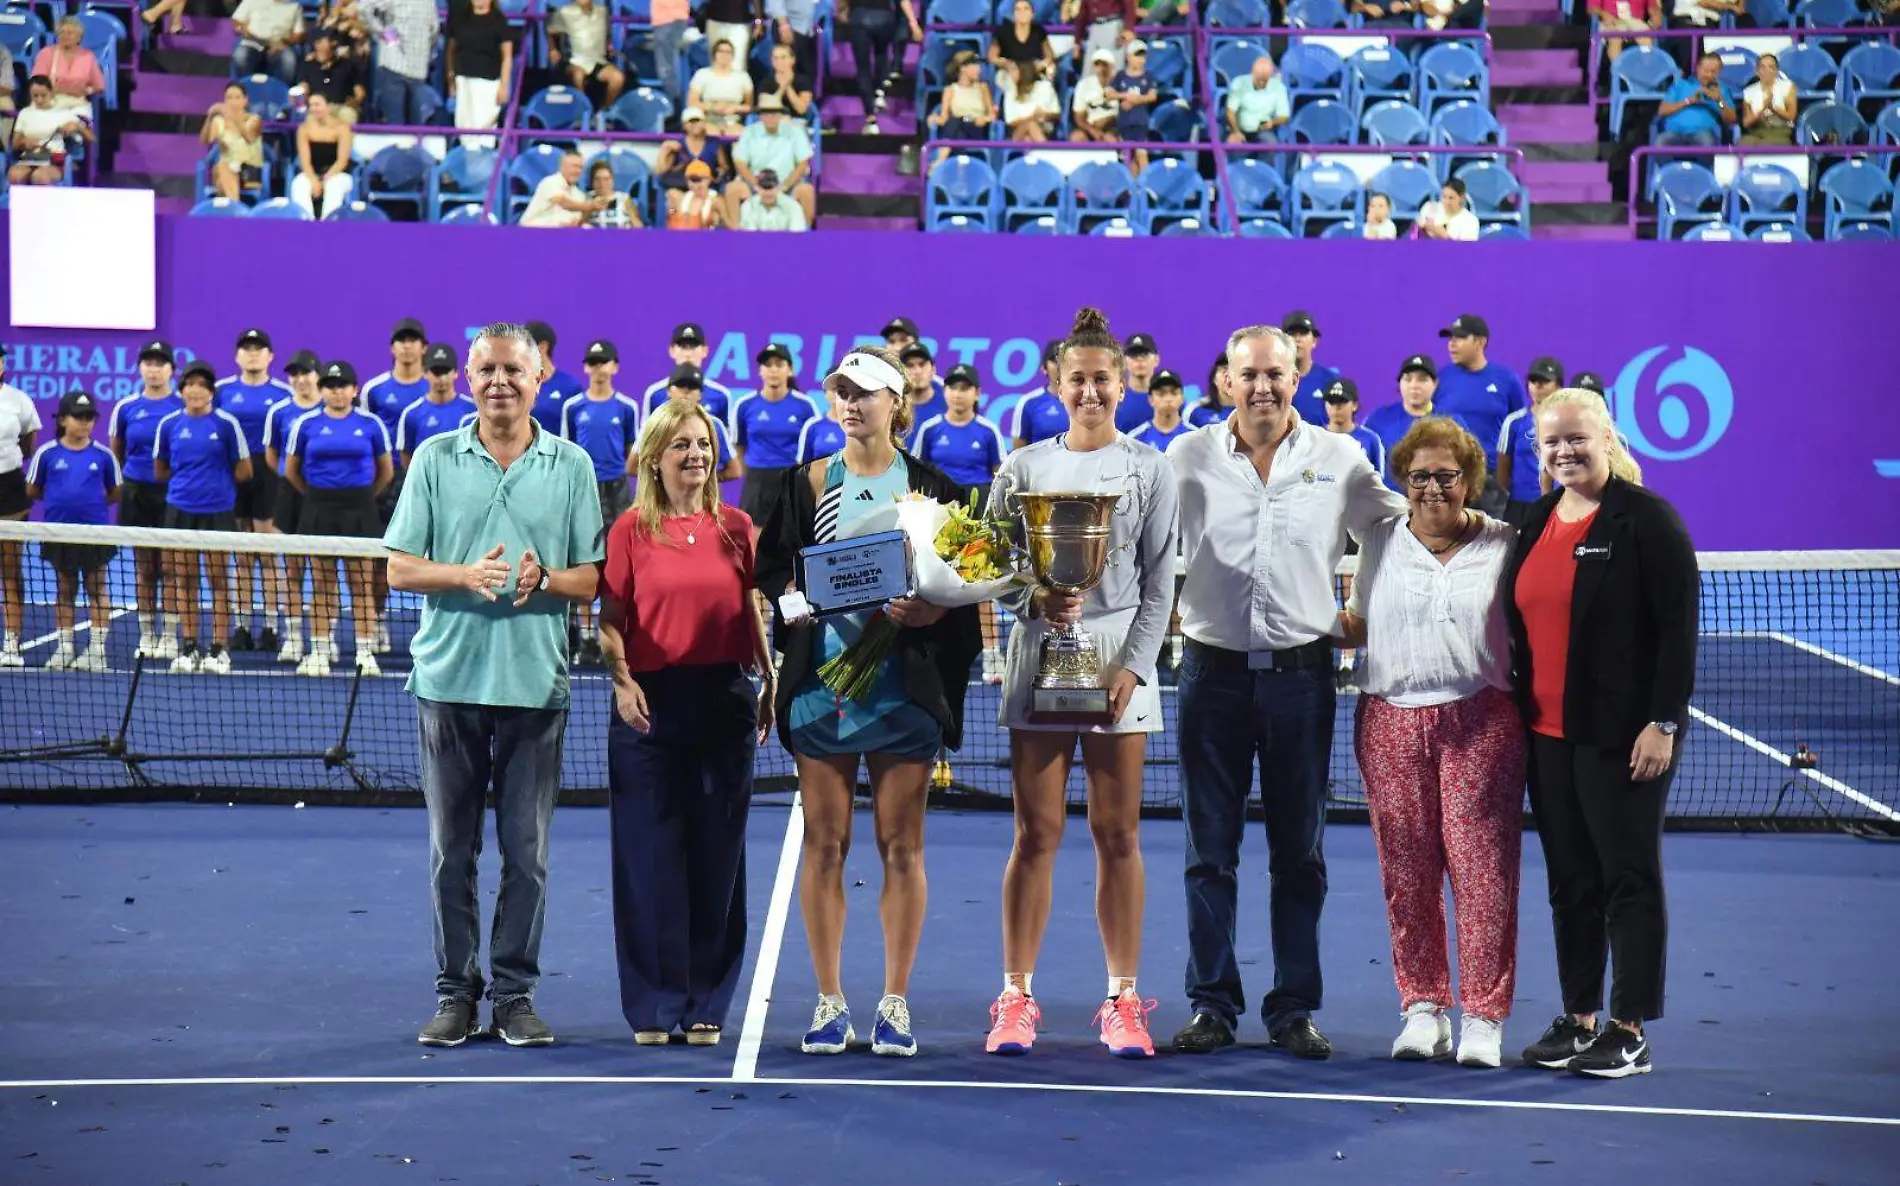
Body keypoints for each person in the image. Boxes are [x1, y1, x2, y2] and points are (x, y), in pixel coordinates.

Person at [1168, 324, 1406, 1060]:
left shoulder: (1340, 458)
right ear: (1226, 383)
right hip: (1209, 675)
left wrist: (1362, 610)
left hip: (1303, 678)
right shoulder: (1188, 456)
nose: (1263, 386)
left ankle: (1292, 1006)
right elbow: (1145, 544)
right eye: (1250, 374)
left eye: (1277, 373)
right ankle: (1211, 1004)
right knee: (1210, 852)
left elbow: (1391, 526)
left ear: (1297, 377)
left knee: (1299, 854)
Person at [755, 346, 982, 1058]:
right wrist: (794, 606)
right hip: (822, 690)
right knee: (824, 847)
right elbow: (773, 572)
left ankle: (894, 1003)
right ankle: (829, 1003)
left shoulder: (933, 489)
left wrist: (933, 614)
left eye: (866, 394)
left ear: (896, 402)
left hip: (900, 693)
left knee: (900, 847)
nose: (851, 405)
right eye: (842, 393)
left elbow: (966, 585)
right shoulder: (807, 482)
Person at [385, 324, 606, 1050]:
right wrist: (465, 575)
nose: (499, 382)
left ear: (540, 377)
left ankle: (514, 995)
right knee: (453, 852)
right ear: (469, 378)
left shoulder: (571, 465)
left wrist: (547, 579)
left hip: (535, 689)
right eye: (487, 370)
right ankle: (456, 994)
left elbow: (591, 578)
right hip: (446, 684)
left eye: (513, 370)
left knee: (526, 855)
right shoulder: (433, 459)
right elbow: (400, 568)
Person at [984, 308, 1179, 1060]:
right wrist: (1030, 597)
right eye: (1078, 380)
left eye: (1104, 380)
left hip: (1119, 660)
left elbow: (1161, 585)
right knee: (1034, 834)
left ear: (1124, 384)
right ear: (1055, 384)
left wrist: (1132, 665)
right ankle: (1015, 995)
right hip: (1041, 652)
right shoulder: (1022, 468)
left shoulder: (1151, 469)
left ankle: (1123, 999)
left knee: (1117, 833)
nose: (1091, 392)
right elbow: (987, 563)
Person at [1506, 388, 1697, 1080]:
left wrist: (1664, 722)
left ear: (1607, 437)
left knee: (1628, 879)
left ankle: (1629, 1027)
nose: (1564, 451)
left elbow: (1678, 633)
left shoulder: (1647, 520)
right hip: (1547, 736)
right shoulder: (1534, 520)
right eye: (1551, 441)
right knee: (1571, 882)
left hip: (1623, 738)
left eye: (1577, 439)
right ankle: (1579, 1016)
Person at [1339, 417, 1524, 1069]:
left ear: (1470, 479)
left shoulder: (1506, 544)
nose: (1433, 488)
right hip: (1389, 720)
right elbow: (1357, 623)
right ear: (1403, 481)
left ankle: (1483, 1017)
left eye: (1447, 476)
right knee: (1407, 871)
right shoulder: (1381, 541)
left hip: (1483, 720)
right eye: (1420, 476)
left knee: (1482, 871)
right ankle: (1423, 1008)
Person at [598, 398, 774, 1048]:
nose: (696, 456)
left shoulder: (739, 527)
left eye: (703, 444)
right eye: (682, 446)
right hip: (648, 705)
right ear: (654, 459)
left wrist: (770, 680)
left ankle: (706, 1001)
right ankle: (651, 1003)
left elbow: (753, 610)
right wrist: (621, 681)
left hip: (724, 698)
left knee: (717, 856)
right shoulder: (628, 532)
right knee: (648, 859)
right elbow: (610, 623)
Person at [285, 360, 393, 677]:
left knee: (362, 585)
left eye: (343, 385)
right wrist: (317, 494)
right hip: (318, 508)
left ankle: (364, 652)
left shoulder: (371, 425)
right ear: (322, 391)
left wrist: (362, 496)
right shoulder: (306, 425)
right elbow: (292, 471)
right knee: (322, 584)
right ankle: (319, 650)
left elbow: (385, 471)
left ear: (354, 390)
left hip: (360, 509)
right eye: (330, 386)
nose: (337, 392)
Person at [153, 361, 252, 675]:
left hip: (217, 512)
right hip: (179, 510)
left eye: (202, 386)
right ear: (182, 390)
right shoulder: (169, 425)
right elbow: (161, 469)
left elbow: (244, 469)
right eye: (190, 385)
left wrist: (214, 485)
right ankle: (189, 646)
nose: (195, 390)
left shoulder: (225, 424)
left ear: (211, 392)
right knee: (184, 580)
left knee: (219, 581)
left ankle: (219, 649)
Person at [912, 363, 1007, 682]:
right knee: (931, 584)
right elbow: (917, 475)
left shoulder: (988, 431)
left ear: (976, 394)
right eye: (952, 387)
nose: (957, 393)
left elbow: (1001, 477)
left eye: (965, 387)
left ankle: (993, 656)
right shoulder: (930, 430)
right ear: (946, 392)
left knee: (981, 585)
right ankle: (927, 649)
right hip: (939, 514)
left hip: (977, 514)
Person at [26, 391, 119, 672]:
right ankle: (64, 648)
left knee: (96, 587)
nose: (84, 423)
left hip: (94, 535)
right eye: (78, 417)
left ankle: (96, 650)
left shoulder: (103, 455)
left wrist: (89, 507)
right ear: (63, 420)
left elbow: (115, 491)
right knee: (65, 589)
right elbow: (33, 489)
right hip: (59, 534)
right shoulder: (47, 454)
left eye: (89, 417)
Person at [561, 338, 640, 665]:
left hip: (617, 490)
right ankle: (588, 635)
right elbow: (566, 454)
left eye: (604, 362)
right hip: (584, 491)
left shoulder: (626, 407)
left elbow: (630, 450)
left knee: (619, 562)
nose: (599, 368)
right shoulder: (573, 407)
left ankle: (616, 630)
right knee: (585, 559)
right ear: (586, 368)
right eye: (593, 362)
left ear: (615, 367)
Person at [216, 328, 295, 654]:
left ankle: (272, 626)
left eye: (259, 349)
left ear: (270, 356)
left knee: (267, 550)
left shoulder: (282, 393)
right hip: (233, 473)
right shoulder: (221, 391)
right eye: (246, 349)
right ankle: (243, 624)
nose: (252, 354)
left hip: (266, 476)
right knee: (242, 553)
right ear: (237, 356)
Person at [110, 340, 184, 660]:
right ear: (140, 368)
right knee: (145, 569)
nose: (154, 369)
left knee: (170, 568)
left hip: (173, 495)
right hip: (137, 492)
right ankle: (146, 634)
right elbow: (117, 452)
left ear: (172, 369)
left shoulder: (183, 406)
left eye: (160, 363)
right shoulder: (126, 408)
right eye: (148, 363)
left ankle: (168, 635)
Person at [262, 349, 326, 664]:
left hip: (324, 497)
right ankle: (293, 636)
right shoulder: (279, 412)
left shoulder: (334, 409)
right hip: (291, 496)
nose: (301, 379)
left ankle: (323, 640)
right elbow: (273, 454)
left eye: (306, 373)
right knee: (292, 570)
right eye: (295, 374)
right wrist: (292, 481)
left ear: (318, 376)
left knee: (323, 572)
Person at [731, 342, 822, 529]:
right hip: (757, 481)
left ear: (790, 370)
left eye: (779, 364)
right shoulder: (745, 405)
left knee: (790, 541)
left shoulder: (805, 406)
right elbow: (739, 446)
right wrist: (754, 473)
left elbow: (812, 449)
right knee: (754, 543)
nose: (773, 370)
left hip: (791, 479)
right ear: (760, 371)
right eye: (767, 365)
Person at [1435, 314, 1528, 486]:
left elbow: (1521, 427)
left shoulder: (1506, 379)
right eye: (1450, 338)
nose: (1451, 344)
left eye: (1460, 337)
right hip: (1447, 473)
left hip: (1491, 478)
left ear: (1480, 342)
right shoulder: (1440, 378)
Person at [0, 350, 43, 667]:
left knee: (10, 568)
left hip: (9, 489)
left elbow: (29, 443)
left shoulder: (19, 400)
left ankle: (12, 642)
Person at [727, 94, 816, 226]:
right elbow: (740, 162)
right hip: (756, 184)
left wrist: (785, 186)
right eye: (766, 113)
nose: (770, 117)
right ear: (760, 115)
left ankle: (805, 237)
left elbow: (802, 163)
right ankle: (736, 235)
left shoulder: (795, 131)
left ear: (780, 115)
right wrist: (756, 185)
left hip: (786, 184)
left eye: (774, 113)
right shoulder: (749, 132)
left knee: (806, 190)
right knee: (732, 189)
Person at [1495, 355, 1563, 526]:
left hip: (1560, 504)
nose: (1537, 385)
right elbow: (1503, 466)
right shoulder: (1514, 421)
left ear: (1559, 386)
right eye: (1533, 380)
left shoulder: (1568, 423)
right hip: (1520, 506)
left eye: (1544, 381)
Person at [841, 0, 920, 135]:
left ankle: (870, 118)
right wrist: (914, 23)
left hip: (859, 17)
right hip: (884, 18)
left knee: (863, 68)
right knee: (881, 55)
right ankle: (879, 92)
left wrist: (841, 10)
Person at [397, 343, 479, 468]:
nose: (441, 378)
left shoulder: (474, 409)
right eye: (436, 372)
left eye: (445, 371)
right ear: (425, 373)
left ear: (456, 373)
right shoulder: (411, 414)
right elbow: (407, 458)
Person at [446, 0, 513, 148]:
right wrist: (450, 78)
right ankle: (466, 162)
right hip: (463, 79)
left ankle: (484, 166)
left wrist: (504, 85)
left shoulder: (499, 21)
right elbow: (451, 50)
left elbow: (507, 56)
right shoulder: (460, 18)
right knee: (464, 125)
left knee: (483, 127)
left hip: (488, 82)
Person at [362, 0, 440, 125]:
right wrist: (384, 33)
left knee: (416, 127)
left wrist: (427, 54)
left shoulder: (429, 2)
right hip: (393, 66)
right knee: (395, 124)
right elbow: (364, 8)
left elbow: (434, 31)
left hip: (418, 71)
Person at [8, 77, 95, 187]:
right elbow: (15, 144)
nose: (39, 100)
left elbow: (91, 138)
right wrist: (25, 141)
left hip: (53, 160)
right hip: (29, 159)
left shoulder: (63, 113)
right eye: (35, 96)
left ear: (51, 93)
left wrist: (77, 126)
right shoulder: (25, 113)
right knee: (15, 175)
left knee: (40, 176)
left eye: (43, 95)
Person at [641, 324, 734, 423]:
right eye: (683, 347)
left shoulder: (721, 395)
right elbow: (646, 435)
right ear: (671, 350)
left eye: (693, 347)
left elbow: (726, 436)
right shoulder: (655, 394)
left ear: (705, 350)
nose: (688, 354)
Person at [548, 0, 625, 108]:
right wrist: (553, 49)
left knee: (617, 78)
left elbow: (606, 35)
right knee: (578, 75)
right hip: (572, 61)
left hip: (597, 60)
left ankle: (605, 111)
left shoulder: (602, 12)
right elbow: (552, 33)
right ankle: (583, 110)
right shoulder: (564, 12)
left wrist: (609, 46)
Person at [1655, 52, 1736, 149]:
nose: (1709, 75)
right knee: (1661, 143)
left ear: (1719, 72)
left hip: (1702, 134)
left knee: (1707, 143)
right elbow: (1662, 111)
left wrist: (1719, 101)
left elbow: (1731, 120)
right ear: (1698, 69)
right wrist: (1689, 101)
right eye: (1706, 71)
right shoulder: (1680, 85)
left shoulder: (1722, 90)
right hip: (1674, 132)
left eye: (1713, 71)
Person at [290, 92, 353, 219]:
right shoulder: (304, 129)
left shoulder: (342, 128)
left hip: (338, 174)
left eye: (317, 105)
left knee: (333, 186)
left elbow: (342, 161)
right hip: (312, 173)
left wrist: (325, 179)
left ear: (328, 107)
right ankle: (307, 224)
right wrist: (314, 181)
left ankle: (328, 225)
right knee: (299, 183)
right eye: (311, 105)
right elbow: (305, 161)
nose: (313, 108)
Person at [928, 51, 995, 162]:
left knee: (955, 122)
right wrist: (934, 117)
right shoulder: (950, 90)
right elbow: (944, 118)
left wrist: (985, 118)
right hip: (958, 127)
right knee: (957, 130)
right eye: (974, 65)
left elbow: (992, 114)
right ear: (962, 68)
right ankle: (960, 165)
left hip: (975, 127)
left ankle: (940, 161)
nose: (979, 69)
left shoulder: (983, 88)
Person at [200, 82, 264, 201]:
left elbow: (249, 138)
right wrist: (209, 118)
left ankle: (229, 209)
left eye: (237, 97)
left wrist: (232, 116)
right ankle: (235, 210)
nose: (233, 102)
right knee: (222, 168)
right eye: (229, 98)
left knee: (222, 174)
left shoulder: (254, 120)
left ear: (245, 100)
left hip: (248, 169)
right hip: (225, 167)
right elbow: (205, 141)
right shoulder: (219, 121)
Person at [32, 17, 106, 115]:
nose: (65, 36)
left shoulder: (88, 56)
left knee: (76, 126)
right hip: (50, 102)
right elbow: (38, 84)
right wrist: (61, 90)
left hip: (78, 104)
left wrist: (85, 91)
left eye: (70, 33)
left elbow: (99, 86)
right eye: (62, 32)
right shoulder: (46, 54)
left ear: (79, 37)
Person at [1282, 310, 1339, 428]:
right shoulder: (1271, 380)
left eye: (1303, 333)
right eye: (1292, 333)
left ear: (1314, 341)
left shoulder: (1330, 380)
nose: (1297, 339)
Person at [1318, 378, 1385, 477]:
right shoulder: (1315, 437)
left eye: (1342, 401)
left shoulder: (1371, 439)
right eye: (1331, 402)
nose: (1336, 407)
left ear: (1355, 405)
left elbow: (1378, 481)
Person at [1009, 341, 1071, 448]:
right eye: (1055, 360)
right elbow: (1018, 451)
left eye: (1065, 360)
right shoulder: (1028, 403)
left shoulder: (1087, 400)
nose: (1060, 365)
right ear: (1043, 368)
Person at [526, 320, 586, 430]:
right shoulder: (518, 383)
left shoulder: (569, 386)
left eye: (526, 345)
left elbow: (579, 429)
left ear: (543, 347)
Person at [687, 38, 754, 135]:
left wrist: (735, 108)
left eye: (728, 52)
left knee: (739, 134)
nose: (724, 55)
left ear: (733, 55)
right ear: (714, 54)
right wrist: (712, 107)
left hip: (733, 120)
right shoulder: (702, 74)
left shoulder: (742, 77)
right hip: (708, 119)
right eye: (721, 51)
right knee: (710, 134)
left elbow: (749, 106)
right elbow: (692, 103)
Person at [231, 0, 305, 85]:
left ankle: (282, 92)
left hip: (279, 43)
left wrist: (284, 42)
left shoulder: (294, 6)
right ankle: (244, 89)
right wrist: (242, 29)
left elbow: (299, 34)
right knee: (241, 54)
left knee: (289, 59)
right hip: (253, 40)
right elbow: (236, 21)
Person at [298, 29, 366, 123]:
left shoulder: (347, 65)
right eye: (318, 43)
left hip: (341, 107)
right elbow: (303, 88)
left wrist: (355, 101)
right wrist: (307, 100)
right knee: (311, 118)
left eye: (330, 42)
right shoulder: (308, 66)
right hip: (317, 107)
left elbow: (360, 92)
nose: (321, 48)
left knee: (349, 115)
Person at [520, 149, 600, 228]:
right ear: (562, 167)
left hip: (560, 236)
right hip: (531, 233)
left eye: (581, 167)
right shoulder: (550, 182)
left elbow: (575, 221)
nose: (578, 171)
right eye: (574, 166)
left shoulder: (579, 195)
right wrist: (590, 206)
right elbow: (562, 202)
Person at [655, 110, 729, 192]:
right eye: (690, 122)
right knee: (673, 193)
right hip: (682, 185)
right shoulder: (677, 145)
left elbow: (723, 166)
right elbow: (661, 171)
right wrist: (665, 148)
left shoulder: (714, 143)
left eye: (697, 121)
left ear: (704, 123)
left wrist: (717, 176)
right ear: (684, 126)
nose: (694, 124)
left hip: (707, 185)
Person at [1225, 55, 1290, 143]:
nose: (1261, 83)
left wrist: (1272, 122)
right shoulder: (1239, 83)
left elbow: (1284, 116)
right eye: (1259, 79)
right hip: (1238, 128)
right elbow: (1230, 112)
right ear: (1253, 74)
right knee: (1233, 143)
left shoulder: (1279, 88)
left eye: (1265, 79)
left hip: (1264, 131)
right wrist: (1236, 132)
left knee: (1270, 143)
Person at [989, 0, 1055, 86]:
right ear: (1013, 14)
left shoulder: (1039, 31)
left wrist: (1041, 65)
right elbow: (992, 57)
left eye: (1026, 9)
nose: (1022, 12)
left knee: (1045, 82)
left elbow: (1049, 56)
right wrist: (1006, 64)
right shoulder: (1003, 32)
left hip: (1033, 70)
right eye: (1018, 9)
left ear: (1032, 14)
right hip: (1009, 71)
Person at [1127, 368, 1191, 454]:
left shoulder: (1196, 436)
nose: (1168, 399)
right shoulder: (1134, 439)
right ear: (1151, 399)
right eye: (1161, 394)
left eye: (1174, 393)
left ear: (1182, 398)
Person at [1739, 53, 1796, 146]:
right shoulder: (1749, 92)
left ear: (1776, 71)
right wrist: (1763, 108)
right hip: (1756, 131)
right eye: (1762, 67)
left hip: (1779, 131)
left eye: (1771, 67)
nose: (1767, 71)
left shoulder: (1788, 87)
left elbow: (1791, 117)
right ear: (1757, 71)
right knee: (1743, 143)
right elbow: (1746, 123)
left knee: (1765, 145)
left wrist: (1773, 108)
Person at [1070, 50, 1121, 142]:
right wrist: (1092, 130)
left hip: (1114, 126)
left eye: (1105, 64)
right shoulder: (1084, 84)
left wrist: (1108, 120)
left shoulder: (1120, 83)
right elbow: (1079, 116)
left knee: (1110, 139)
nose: (1101, 68)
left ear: (1112, 66)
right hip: (1090, 126)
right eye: (1098, 65)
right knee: (1077, 137)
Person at [1114, 332, 1160, 433]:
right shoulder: (1114, 400)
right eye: (1133, 354)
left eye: (1145, 354)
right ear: (1124, 361)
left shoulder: (1170, 399)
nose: (1139, 359)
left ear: (1156, 359)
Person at [737, 168, 809, 231]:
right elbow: (748, 237)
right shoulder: (748, 206)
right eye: (764, 188)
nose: (768, 193)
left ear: (778, 188)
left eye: (771, 188)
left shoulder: (792, 206)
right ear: (757, 188)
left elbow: (796, 236)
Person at [667, 159, 729, 228]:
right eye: (691, 180)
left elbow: (728, 226)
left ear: (708, 180)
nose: (695, 185)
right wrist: (672, 210)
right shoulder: (684, 199)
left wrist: (714, 220)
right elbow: (672, 217)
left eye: (698, 180)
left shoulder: (716, 201)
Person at [1415, 178, 1481, 242]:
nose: (1446, 201)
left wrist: (1445, 237)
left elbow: (1466, 251)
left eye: (1451, 198)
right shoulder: (1429, 208)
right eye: (1444, 196)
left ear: (1461, 198)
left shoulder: (1470, 220)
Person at [584, 159, 644, 228]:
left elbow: (638, 225)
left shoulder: (623, 198)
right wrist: (591, 208)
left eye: (606, 179)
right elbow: (580, 225)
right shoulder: (587, 198)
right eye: (597, 179)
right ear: (592, 182)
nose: (602, 183)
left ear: (612, 180)